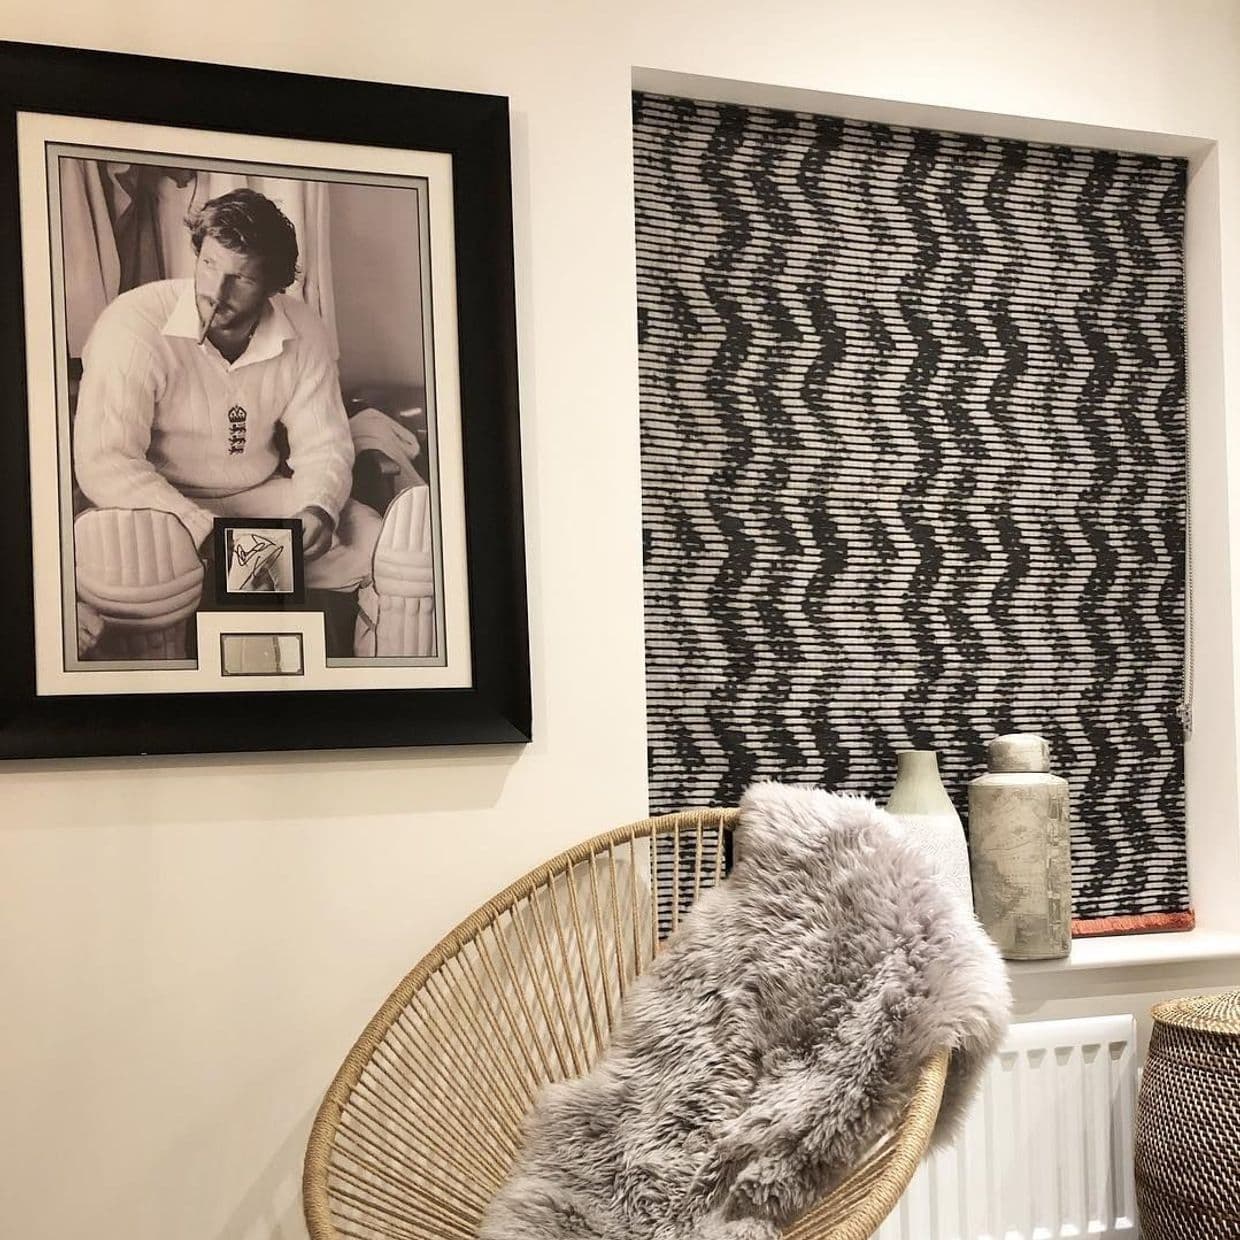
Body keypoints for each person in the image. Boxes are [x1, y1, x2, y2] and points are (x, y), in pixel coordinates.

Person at [72, 188, 381, 655]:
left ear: (275, 285)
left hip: (258, 498)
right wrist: (202, 530)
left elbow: (324, 445)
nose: (216, 292)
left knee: (387, 552)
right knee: (143, 573)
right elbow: (105, 462)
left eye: (242, 278)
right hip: (158, 506)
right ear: (197, 252)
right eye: (210, 264)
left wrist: (319, 507)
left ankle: (368, 689)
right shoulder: (132, 323)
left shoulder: (305, 328)